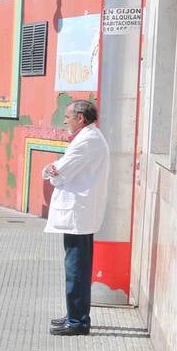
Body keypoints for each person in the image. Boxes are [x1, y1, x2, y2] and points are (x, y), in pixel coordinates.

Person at [44, 100, 110, 336]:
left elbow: (60, 173)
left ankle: (78, 321)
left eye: (68, 116)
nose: (65, 120)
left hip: (79, 213)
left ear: (80, 118)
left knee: (76, 268)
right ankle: (75, 314)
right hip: (80, 213)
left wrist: (53, 173)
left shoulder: (87, 141)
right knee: (76, 266)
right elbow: (58, 169)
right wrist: (54, 170)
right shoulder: (88, 138)